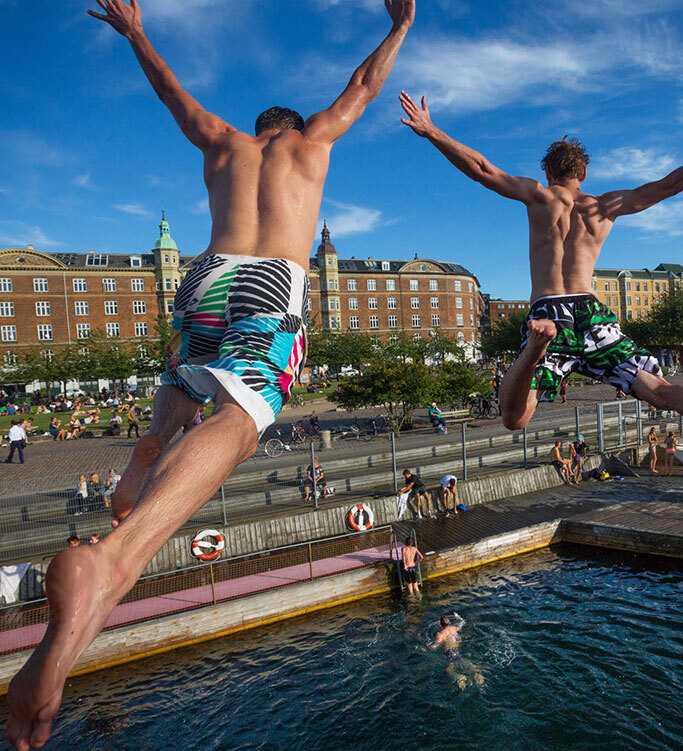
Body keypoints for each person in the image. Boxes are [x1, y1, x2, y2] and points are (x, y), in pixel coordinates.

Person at [7, 1, 416, 746]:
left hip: (206, 277)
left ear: (256, 127)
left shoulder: (222, 143)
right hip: (270, 281)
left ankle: (146, 452)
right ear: (291, 127)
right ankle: (115, 561)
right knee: (242, 416)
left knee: (187, 390)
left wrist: (136, 31)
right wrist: (399, 28)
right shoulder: (311, 142)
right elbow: (361, 86)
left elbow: (170, 92)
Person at [398, 93, 683, 472]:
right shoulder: (604, 207)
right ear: (584, 173)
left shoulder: (539, 196)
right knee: (659, 389)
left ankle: (536, 347)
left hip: (550, 312)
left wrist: (432, 131)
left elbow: (482, 169)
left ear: (548, 172)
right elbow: (670, 184)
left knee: (514, 418)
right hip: (593, 313)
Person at [432, 614, 484, 690]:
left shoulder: (440, 634)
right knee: (463, 661)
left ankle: (459, 677)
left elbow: (436, 645)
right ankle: (476, 672)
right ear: (449, 623)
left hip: (449, 652)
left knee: (449, 669)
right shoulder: (454, 628)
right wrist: (459, 618)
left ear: (440, 625)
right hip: (457, 650)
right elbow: (461, 624)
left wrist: (429, 646)